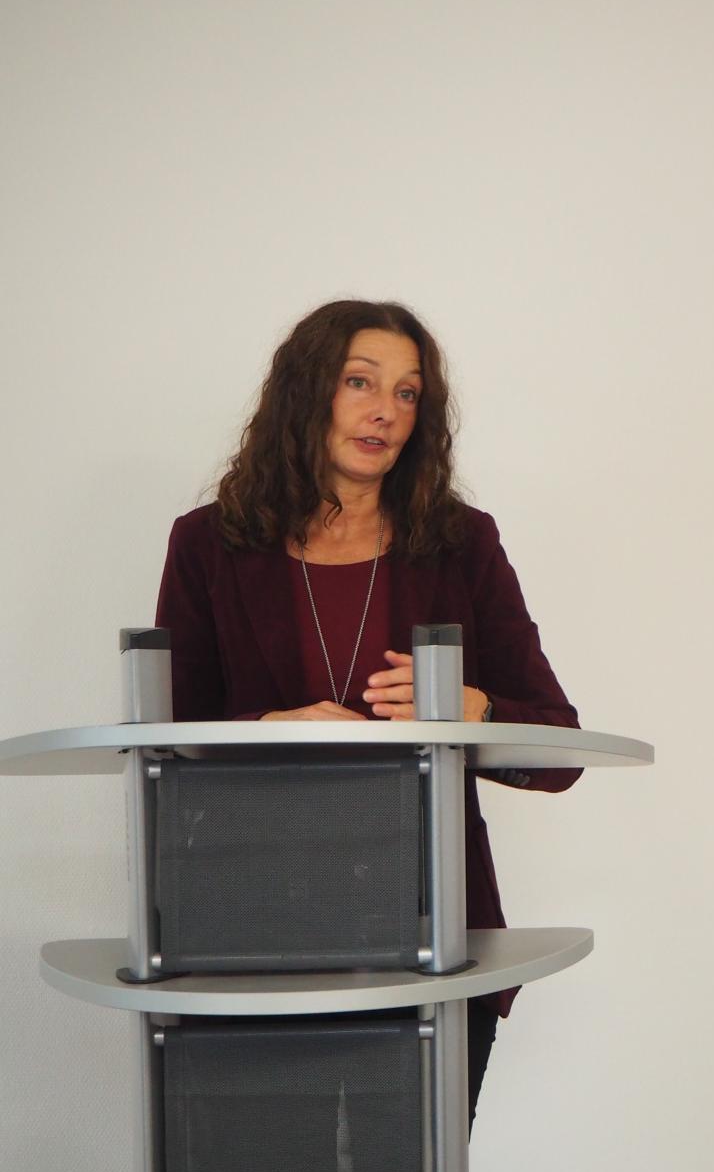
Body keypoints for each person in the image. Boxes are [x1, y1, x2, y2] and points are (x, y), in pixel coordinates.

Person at [154, 298, 581, 1128]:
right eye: (360, 382)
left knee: (415, 1170)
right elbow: (167, 744)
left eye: (408, 392)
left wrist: (476, 709)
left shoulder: (462, 543)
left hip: (428, 925)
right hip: (255, 928)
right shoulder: (208, 543)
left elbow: (557, 746)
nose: (386, 409)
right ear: (305, 391)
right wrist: (262, 731)